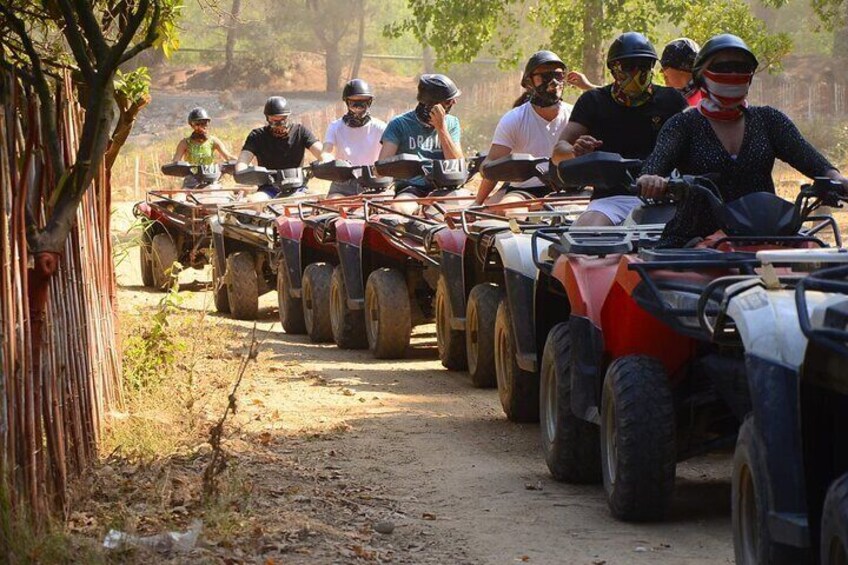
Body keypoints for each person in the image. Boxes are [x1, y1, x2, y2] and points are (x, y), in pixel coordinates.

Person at [637, 34, 848, 245]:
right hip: (694, 240)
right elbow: (655, 165)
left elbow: (810, 159)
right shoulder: (683, 124)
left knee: (823, 264)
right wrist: (651, 180)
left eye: (741, 67)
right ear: (700, 74)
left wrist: (837, 179)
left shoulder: (769, 120)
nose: (733, 73)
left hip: (766, 235)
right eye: (723, 67)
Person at [551, 32, 688, 226]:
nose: (635, 73)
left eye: (643, 66)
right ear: (613, 69)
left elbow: (694, 146)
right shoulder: (593, 101)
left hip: (666, 198)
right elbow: (557, 153)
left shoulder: (672, 100)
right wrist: (576, 152)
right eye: (627, 66)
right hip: (610, 201)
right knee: (585, 233)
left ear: (652, 68)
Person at [474, 51, 573, 205]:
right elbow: (492, 166)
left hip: (569, 191)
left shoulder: (575, 116)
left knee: (582, 216)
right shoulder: (514, 119)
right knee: (512, 211)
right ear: (529, 83)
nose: (553, 82)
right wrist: (477, 203)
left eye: (558, 76)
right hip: (525, 192)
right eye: (545, 76)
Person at [379, 74, 463, 213]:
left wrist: (441, 129)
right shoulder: (399, 124)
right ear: (432, 105)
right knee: (400, 210)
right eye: (449, 101)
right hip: (412, 189)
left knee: (467, 211)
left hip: (445, 188)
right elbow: (382, 167)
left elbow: (457, 164)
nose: (454, 103)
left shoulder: (452, 123)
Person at [236, 96, 332, 200]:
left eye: (283, 120)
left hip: (298, 188)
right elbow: (243, 160)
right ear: (267, 118)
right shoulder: (257, 136)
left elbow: (321, 151)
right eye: (274, 121)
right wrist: (242, 172)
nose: (279, 125)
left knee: (320, 199)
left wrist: (326, 160)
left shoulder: (300, 131)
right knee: (252, 201)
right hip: (269, 189)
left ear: (288, 117)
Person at [323, 79, 387, 197]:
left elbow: (391, 152)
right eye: (354, 102)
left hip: (374, 183)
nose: (358, 107)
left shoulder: (381, 127)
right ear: (347, 102)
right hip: (342, 183)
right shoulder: (335, 126)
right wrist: (327, 162)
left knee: (380, 211)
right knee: (334, 207)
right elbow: (326, 151)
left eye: (362, 102)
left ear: (369, 102)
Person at [172, 107, 236, 188]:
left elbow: (228, 157)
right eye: (198, 124)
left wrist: (242, 163)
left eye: (205, 123)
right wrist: (178, 167)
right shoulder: (184, 143)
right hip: (191, 182)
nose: (202, 126)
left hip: (211, 181)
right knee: (181, 197)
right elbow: (176, 162)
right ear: (192, 125)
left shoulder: (213, 141)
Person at [659, 38, 702, 106]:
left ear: (682, 68)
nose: (661, 72)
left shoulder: (705, 102)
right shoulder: (669, 100)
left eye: (665, 67)